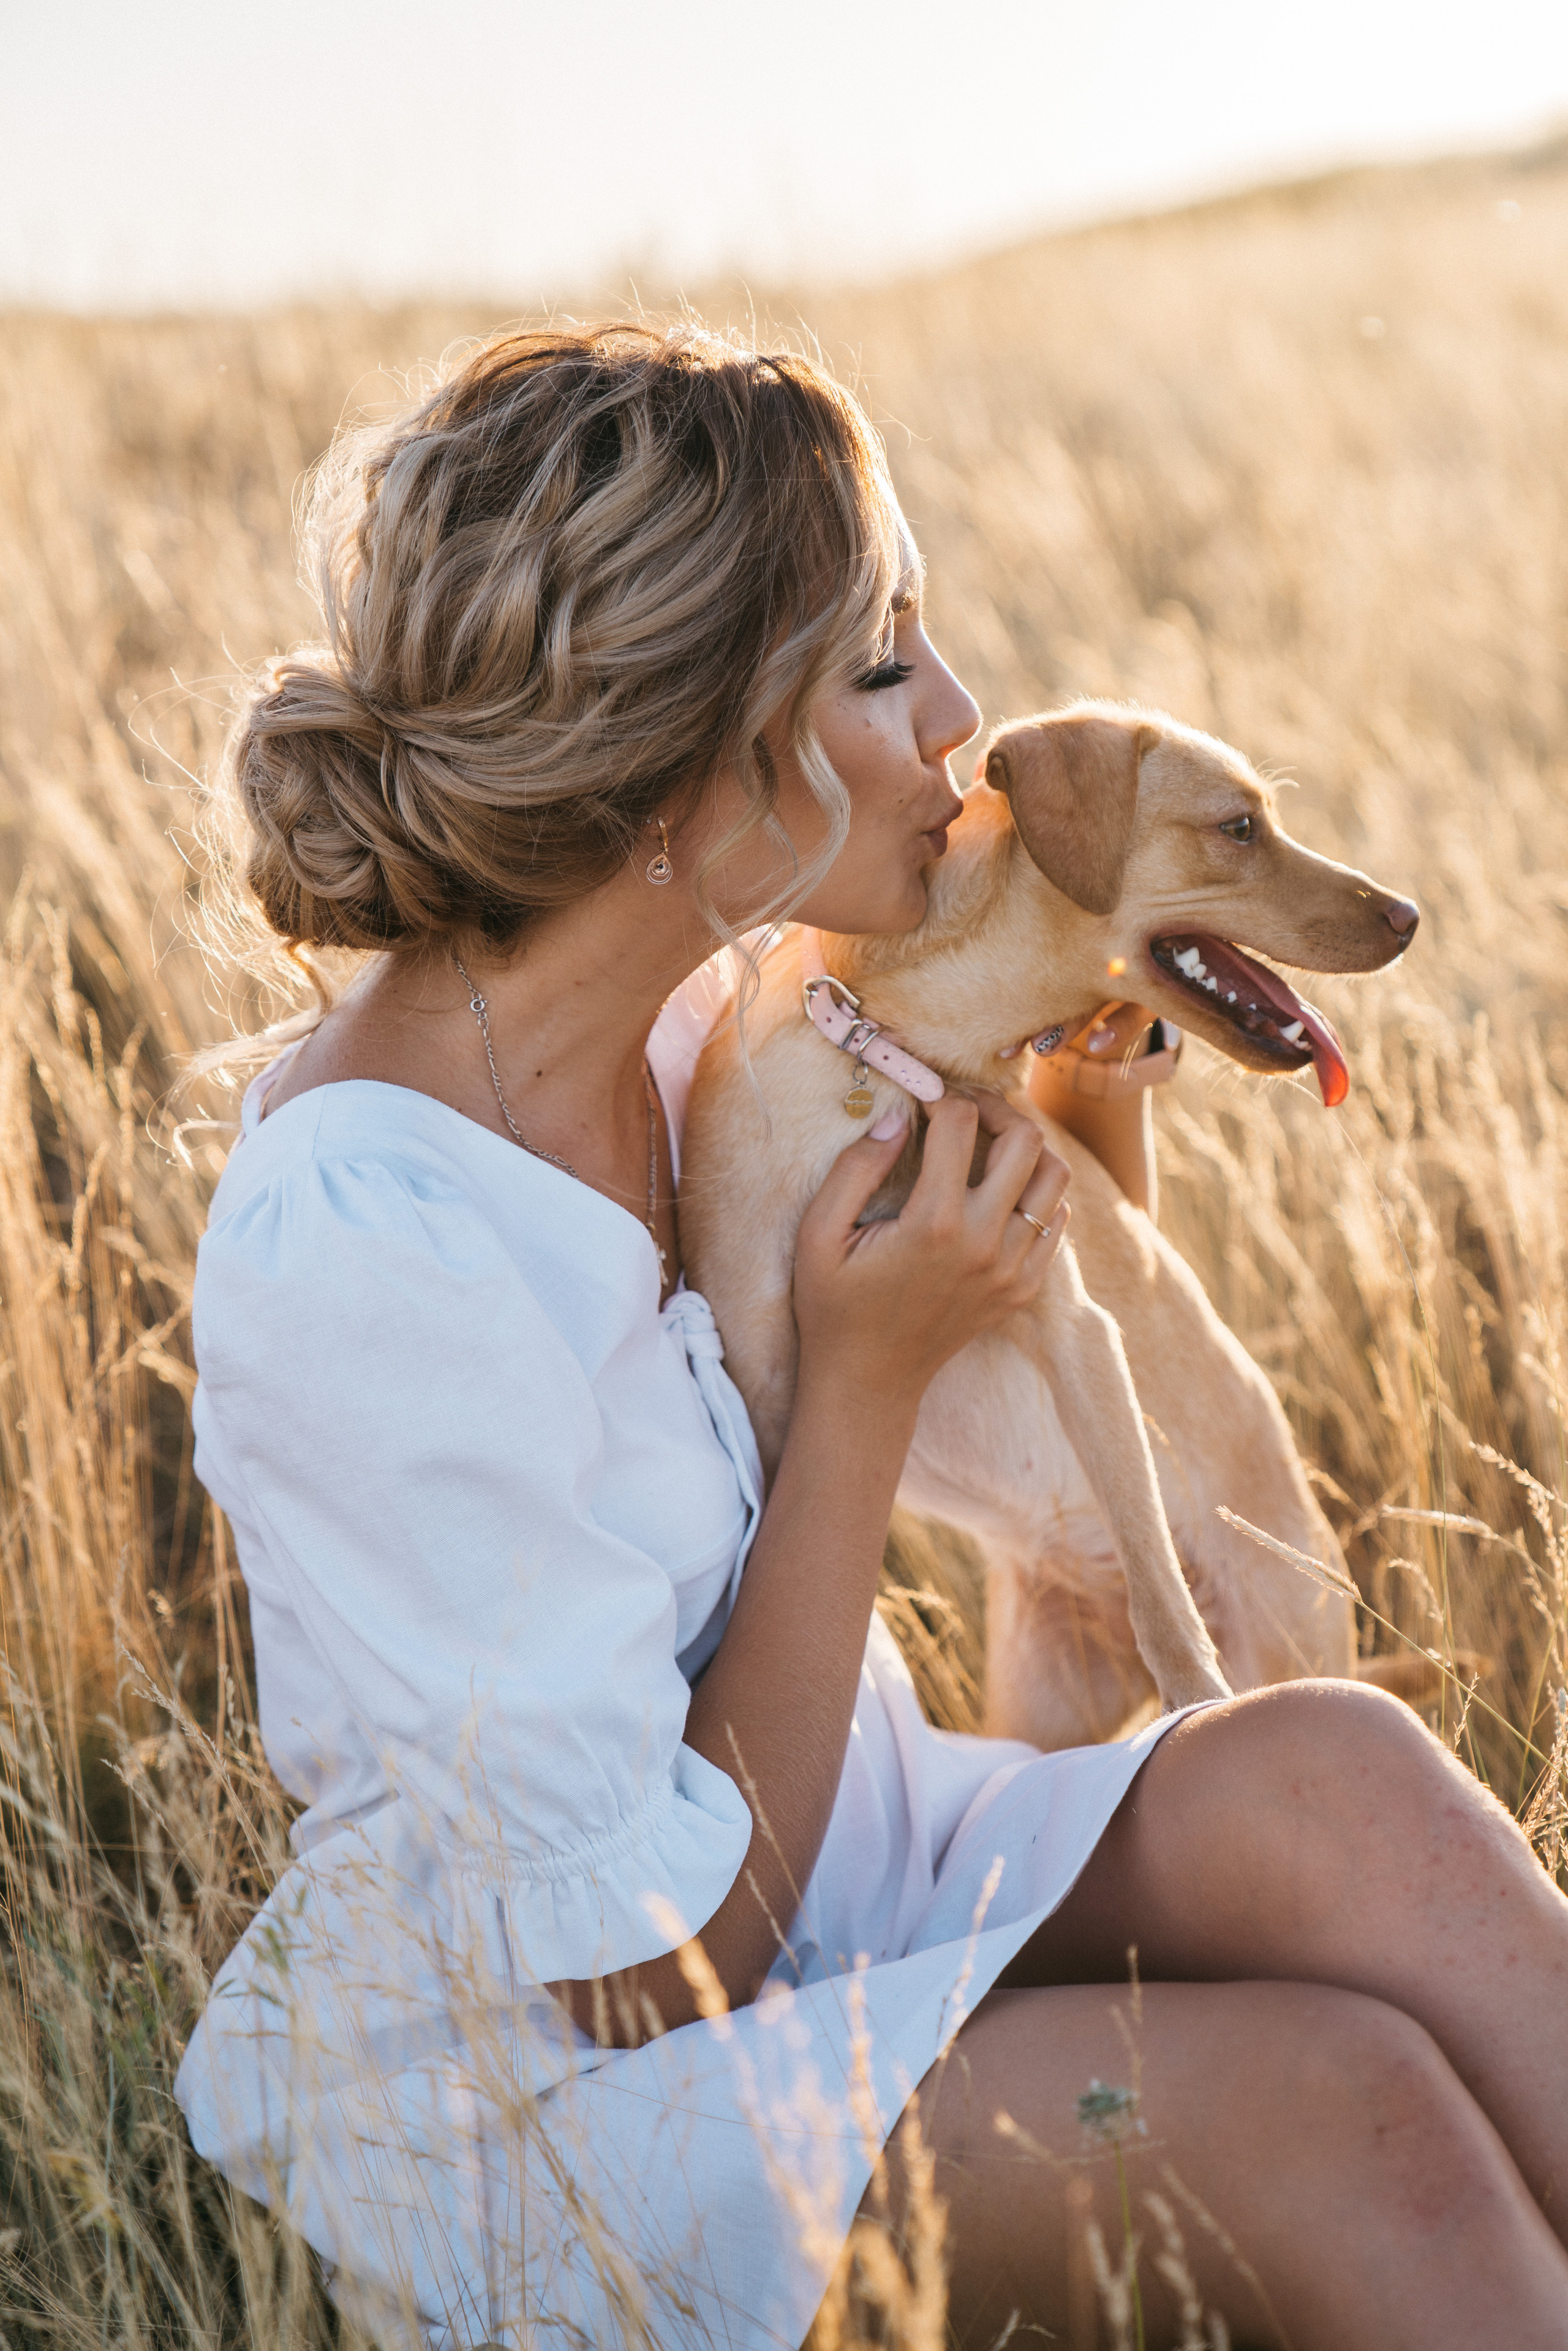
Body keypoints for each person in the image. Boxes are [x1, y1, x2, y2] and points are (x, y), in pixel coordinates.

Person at [175, 322, 1568, 2351]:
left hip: (861, 1852)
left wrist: (1076, 1095)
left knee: (1346, 1777)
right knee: (1350, 2116)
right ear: (692, 747)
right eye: (882, 660)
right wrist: (866, 1383)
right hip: (570, 2101)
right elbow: (646, 1974)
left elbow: (1032, 1318)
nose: (967, 720)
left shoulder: (707, 1031)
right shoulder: (376, 1249)